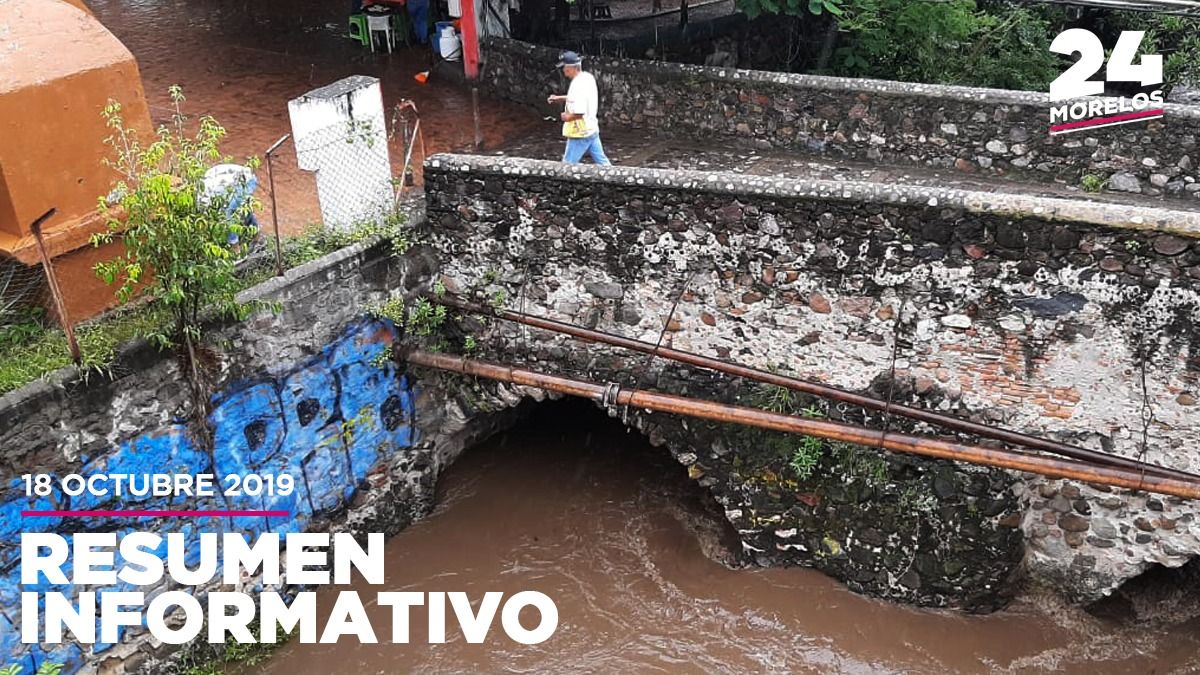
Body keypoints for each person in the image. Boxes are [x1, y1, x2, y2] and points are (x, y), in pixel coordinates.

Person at [547, 51, 611, 166]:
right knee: (603, 164)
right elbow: (577, 98)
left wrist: (567, 117)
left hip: (580, 132)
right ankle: (615, 181)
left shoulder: (577, 85)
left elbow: (579, 112)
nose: (563, 70)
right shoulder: (587, 77)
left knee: (567, 165)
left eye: (564, 67)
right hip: (591, 128)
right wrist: (559, 98)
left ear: (572, 68)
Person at [199, 164, 260, 250]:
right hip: (228, 180)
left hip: (246, 180)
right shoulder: (204, 200)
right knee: (241, 208)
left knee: (239, 210)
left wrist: (234, 244)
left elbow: (230, 219)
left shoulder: (224, 203)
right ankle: (253, 233)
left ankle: (254, 236)